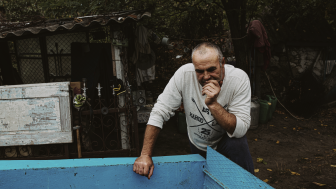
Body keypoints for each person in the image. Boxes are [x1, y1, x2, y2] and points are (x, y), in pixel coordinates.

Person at [133, 42, 254, 179]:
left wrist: (213, 105)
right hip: (198, 142)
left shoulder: (238, 79)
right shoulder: (184, 74)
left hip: (225, 140)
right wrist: (145, 155)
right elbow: (160, 111)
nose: (206, 76)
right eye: (200, 71)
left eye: (212, 69)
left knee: (237, 145)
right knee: (204, 179)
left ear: (222, 62)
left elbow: (240, 129)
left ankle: (249, 183)